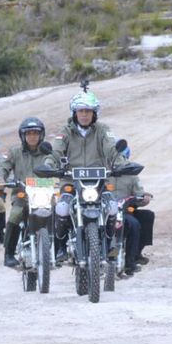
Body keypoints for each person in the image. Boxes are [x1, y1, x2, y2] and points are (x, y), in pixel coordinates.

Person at [48, 91, 124, 262]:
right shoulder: (65, 132)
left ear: (94, 113)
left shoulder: (103, 130)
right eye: (80, 111)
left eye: (88, 111)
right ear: (74, 113)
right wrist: (49, 165)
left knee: (112, 206)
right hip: (71, 181)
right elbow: (55, 152)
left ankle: (110, 243)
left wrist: (121, 163)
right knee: (62, 208)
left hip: (99, 181)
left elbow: (112, 149)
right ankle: (61, 247)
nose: (84, 115)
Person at [0, 117, 52, 267]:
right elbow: (3, 167)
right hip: (22, 195)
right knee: (15, 214)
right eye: (29, 133)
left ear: (41, 135)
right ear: (23, 136)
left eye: (35, 133)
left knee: (59, 212)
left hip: (45, 194)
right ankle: (9, 253)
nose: (32, 136)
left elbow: (57, 164)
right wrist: (0, 177)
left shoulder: (48, 151)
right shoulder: (15, 152)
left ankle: (60, 250)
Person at [107, 144, 155, 276]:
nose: (118, 161)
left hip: (125, 210)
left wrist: (143, 199)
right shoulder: (100, 171)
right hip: (103, 211)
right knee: (133, 223)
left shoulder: (132, 174)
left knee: (146, 216)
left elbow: (139, 194)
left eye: (121, 158)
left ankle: (133, 257)